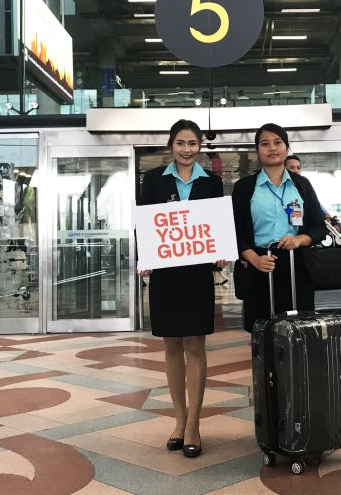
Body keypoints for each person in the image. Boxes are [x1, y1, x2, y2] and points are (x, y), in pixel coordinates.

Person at [137, 119, 225, 459]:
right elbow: (144, 220)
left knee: (195, 344)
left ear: (200, 146)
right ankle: (179, 419)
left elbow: (216, 225)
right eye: (181, 143)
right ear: (171, 146)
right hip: (165, 271)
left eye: (192, 143)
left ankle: (194, 425)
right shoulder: (154, 180)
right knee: (171, 344)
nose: (187, 150)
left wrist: (220, 250)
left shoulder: (212, 182)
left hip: (197, 272)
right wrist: (145, 254)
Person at [232, 124, 326, 331]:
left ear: (286, 147)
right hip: (259, 264)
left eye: (277, 143)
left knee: (299, 331)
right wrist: (254, 258)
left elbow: (319, 227)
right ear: (257, 150)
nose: (272, 148)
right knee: (261, 331)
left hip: (296, 265)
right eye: (265, 144)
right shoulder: (244, 187)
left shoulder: (302, 184)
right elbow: (234, 231)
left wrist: (299, 240)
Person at [285, 154, 332, 219]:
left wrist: (326, 214)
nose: (296, 170)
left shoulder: (305, 186)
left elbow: (315, 204)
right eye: (292, 167)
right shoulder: (282, 189)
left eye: (298, 168)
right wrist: (289, 211)